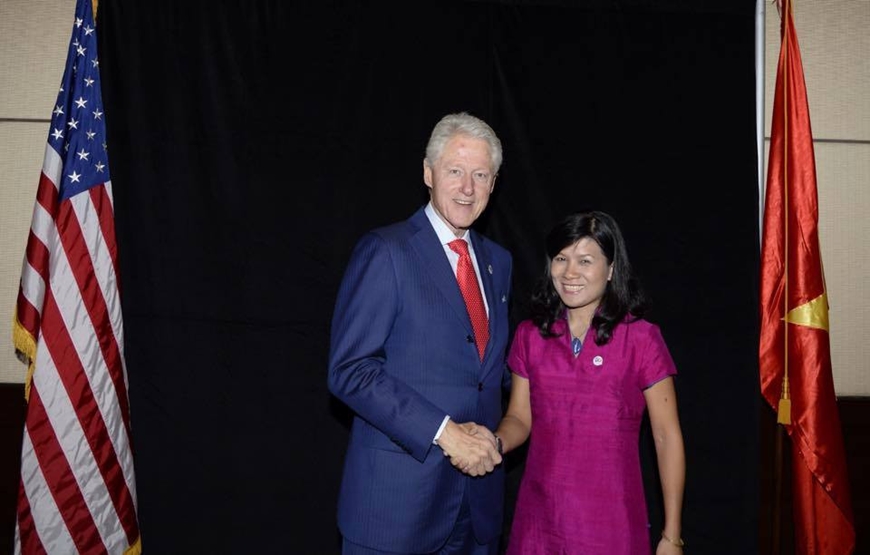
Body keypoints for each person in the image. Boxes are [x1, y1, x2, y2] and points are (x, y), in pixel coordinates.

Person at [327, 112, 513, 555]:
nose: (467, 188)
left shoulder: (499, 262)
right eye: (455, 170)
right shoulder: (386, 251)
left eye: (480, 175)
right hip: (397, 510)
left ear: (493, 184)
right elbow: (350, 370)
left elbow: (489, 373)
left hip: (477, 509)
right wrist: (445, 432)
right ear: (428, 173)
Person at [494, 211, 686, 555]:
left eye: (585, 260)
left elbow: (666, 437)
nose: (570, 273)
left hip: (611, 523)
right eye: (561, 258)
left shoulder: (641, 339)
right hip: (539, 522)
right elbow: (519, 418)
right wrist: (493, 443)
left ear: (611, 269)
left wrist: (671, 536)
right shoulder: (530, 335)